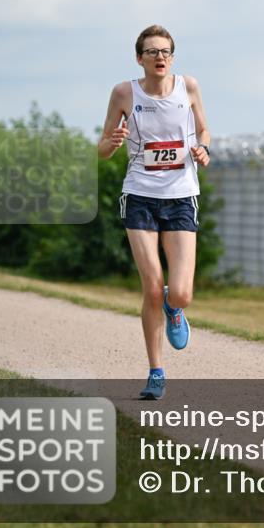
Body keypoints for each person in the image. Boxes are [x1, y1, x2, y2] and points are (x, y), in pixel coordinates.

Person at [97, 25, 211, 400]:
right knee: (150, 284)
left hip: (181, 197)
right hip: (140, 196)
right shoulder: (123, 93)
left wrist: (202, 150)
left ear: (172, 58)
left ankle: (174, 307)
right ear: (139, 58)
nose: (159, 57)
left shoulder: (188, 87)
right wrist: (112, 143)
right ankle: (156, 371)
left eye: (165, 51)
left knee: (181, 292)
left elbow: (204, 130)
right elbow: (102, 147)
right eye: (152, 52)